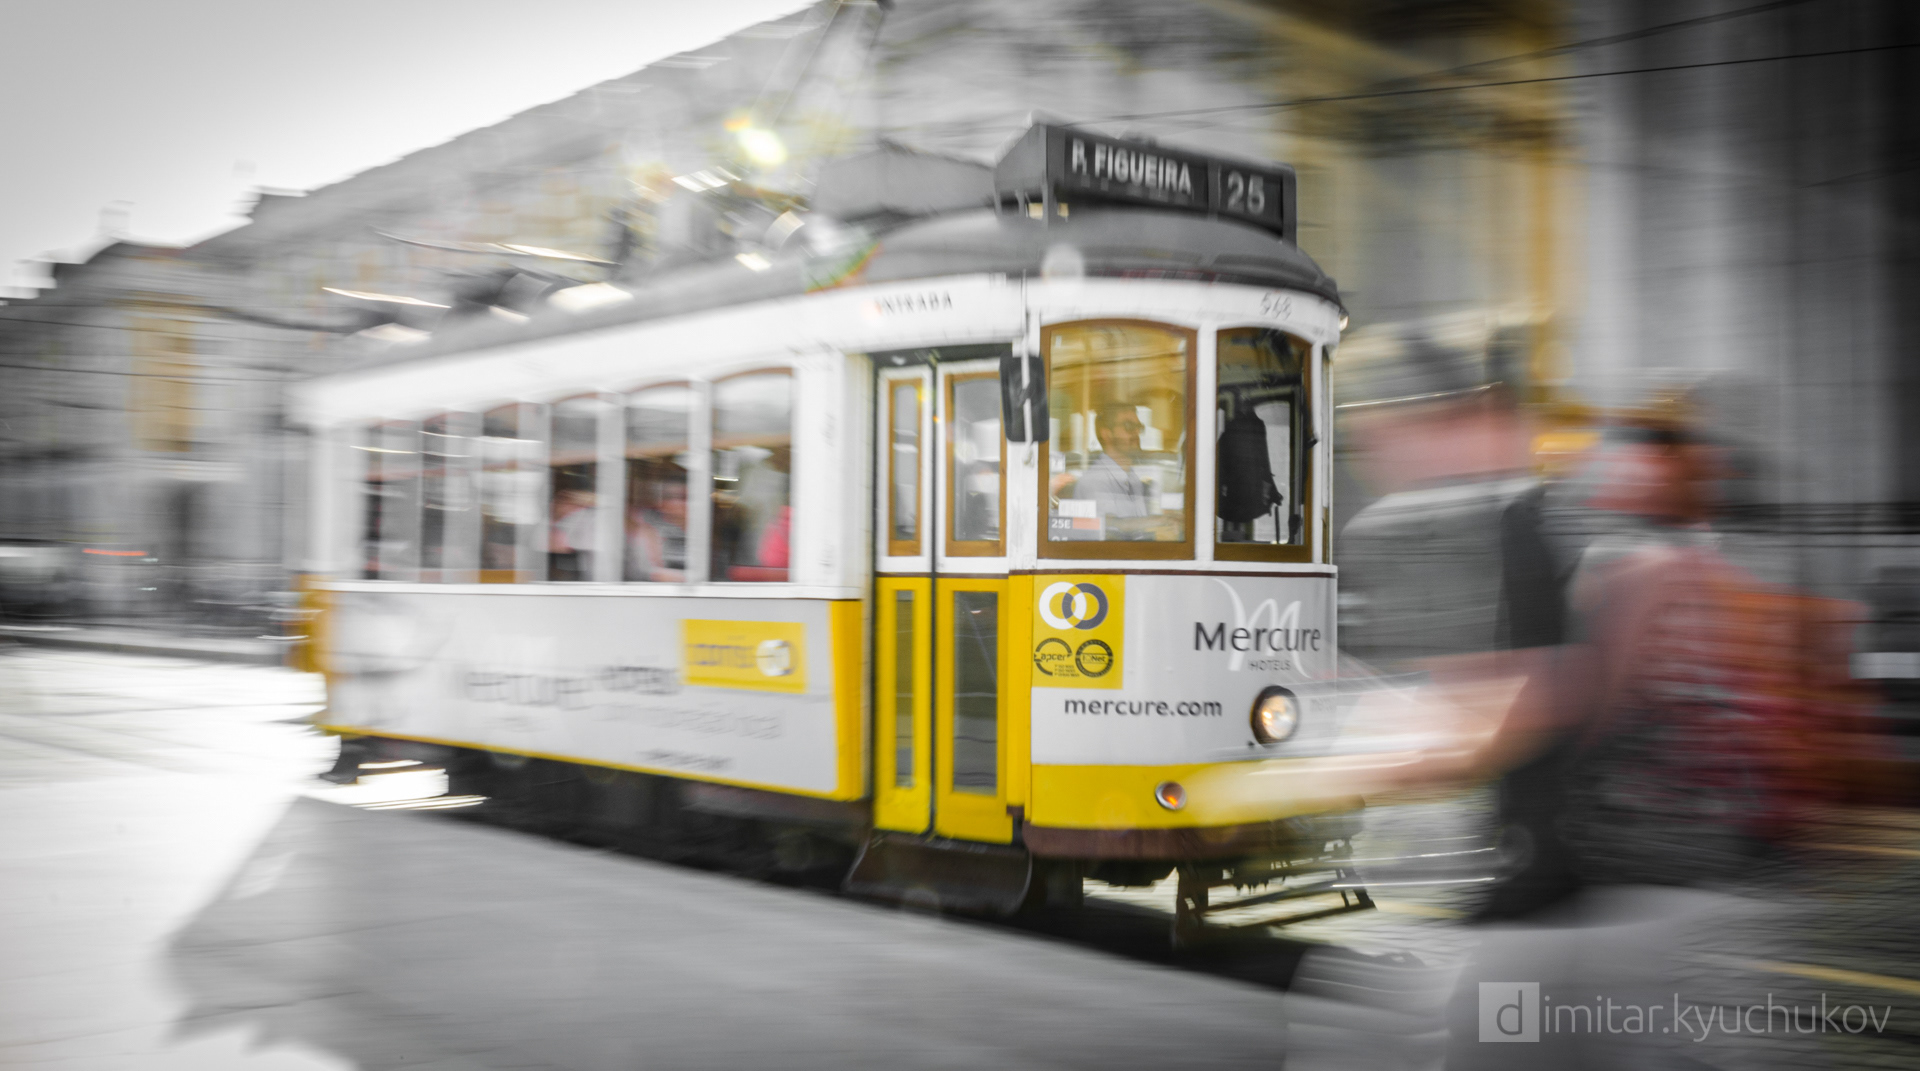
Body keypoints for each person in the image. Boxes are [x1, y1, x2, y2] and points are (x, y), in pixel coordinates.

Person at [1061, 402, 1179, 541]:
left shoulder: (1132, 477)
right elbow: (1111, 529)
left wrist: (1170, 520)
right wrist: (1158, 521)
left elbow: (1137, 532)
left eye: (1139, 427)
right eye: (1129, 426)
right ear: (1107, 434)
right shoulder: (1094, 481)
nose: (1136, 432)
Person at [624, 478, 688, 582]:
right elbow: (647, 571)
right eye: (668, 497)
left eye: (684, 497)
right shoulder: (649, 528)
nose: (675, 503)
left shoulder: (701, 531)